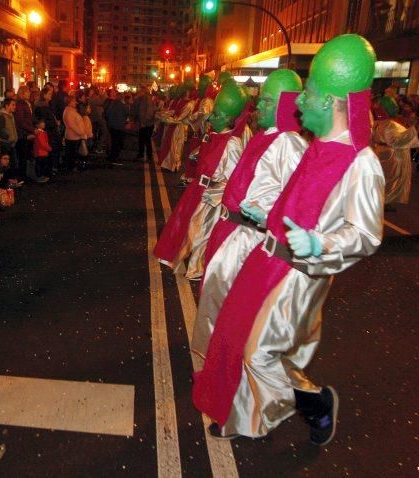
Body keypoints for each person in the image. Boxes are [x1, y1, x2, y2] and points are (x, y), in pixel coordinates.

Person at [193, 34, 384, 445]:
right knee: (238, 337)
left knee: (259, 354)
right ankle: (238, 417)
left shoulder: (362, 163)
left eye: (309, 94)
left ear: (333, 101)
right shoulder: (317, 146)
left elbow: (366, 234)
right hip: (266, 258)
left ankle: (314, 404)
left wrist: (321, 245)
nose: (298, 103)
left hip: (299, 276)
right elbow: (296, 198)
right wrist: (271, 216)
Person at [193, 69, 306, 375]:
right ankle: (216, 366)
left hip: (247, 241)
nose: (259, 108)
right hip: (233, 233)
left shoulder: (290, 147)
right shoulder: (267, 137)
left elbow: (292, 207)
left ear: (286, 105)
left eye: (268, 102)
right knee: (216, 301)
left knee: (228, 310)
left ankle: (224, 372)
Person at [152, 81, 248, 280]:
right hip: (200, 191)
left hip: (212, 199)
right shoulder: (214, 135)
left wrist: (212, 194)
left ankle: (197, 268)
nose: (211, 118)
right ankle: (187, 262)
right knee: (186, 227)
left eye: (217, 114)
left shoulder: (232, 143)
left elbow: (233, 180)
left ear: (229, 117)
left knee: (201, 232)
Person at [373, 95, 419, 206]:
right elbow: (394, 140)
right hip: (390, 155)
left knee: (383, 177)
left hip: (381, 152)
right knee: (390, 179)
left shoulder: (379, 122)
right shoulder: (389, 124)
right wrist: (411, 131)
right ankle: (385, 201)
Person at [13, 85, 36, 179]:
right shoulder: (19, 104)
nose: (29, 93)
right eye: (28, 92)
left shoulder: (26, 103)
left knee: (26, 155)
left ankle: (26, 175)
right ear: (23, 93)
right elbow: (21, 121)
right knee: (22, 156)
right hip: (22, 134)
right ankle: (22, 176)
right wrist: (32, 130)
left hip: (27, 132)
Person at [104, 88, 129, 164]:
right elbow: (127, 114)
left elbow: (107, 113)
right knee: (118, 144)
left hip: (112, 126)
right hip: (119, 127)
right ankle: (115, 158)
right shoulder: (122, 105)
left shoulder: (111, 104)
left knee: (113, 143)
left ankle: (111, 157)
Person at [133, 87, 157, 162]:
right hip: (146, 123)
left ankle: (147, 156)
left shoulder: (146, 99)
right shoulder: (143, 98)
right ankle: (143, 155)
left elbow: (148, 112)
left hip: (146, 124)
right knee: (143, 139)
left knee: (145, 140)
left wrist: (144, 122)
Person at [63, 95, 86, 172]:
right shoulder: (68, 112)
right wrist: (81, 132)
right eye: (73, 101)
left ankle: (72, 166)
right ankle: (71, 167)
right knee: (72, 153)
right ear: (69, 102)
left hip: (75, 136)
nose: (75, 102)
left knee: (73, 153)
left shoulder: (71, 111)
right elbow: (71, 125)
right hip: (72, 136)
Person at [33, 117, 51, 183]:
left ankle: (40, 177)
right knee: (41, 165)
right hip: (41, 152)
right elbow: (43, 143)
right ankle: (40, 177)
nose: (44, 124)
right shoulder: (40, 133)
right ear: (37, 125)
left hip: (41, 152)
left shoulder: (40, 132)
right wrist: (49, 148)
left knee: (40, 165)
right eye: (42, 123)